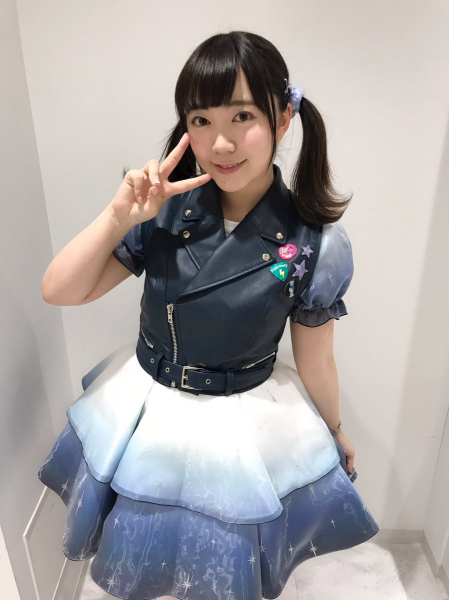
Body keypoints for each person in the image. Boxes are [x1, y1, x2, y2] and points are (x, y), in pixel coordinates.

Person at [38, 30, 379, 600]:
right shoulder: (161, 209)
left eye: (242, 116)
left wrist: (336, 429)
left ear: (284, 117)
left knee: (221, 573)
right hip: (149, 416)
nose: (220, 143)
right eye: (201, 120)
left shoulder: (315, 244)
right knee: (149, 566)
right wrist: (119, 216)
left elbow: (317, 360)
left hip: (241, 430)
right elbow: (59, 291)